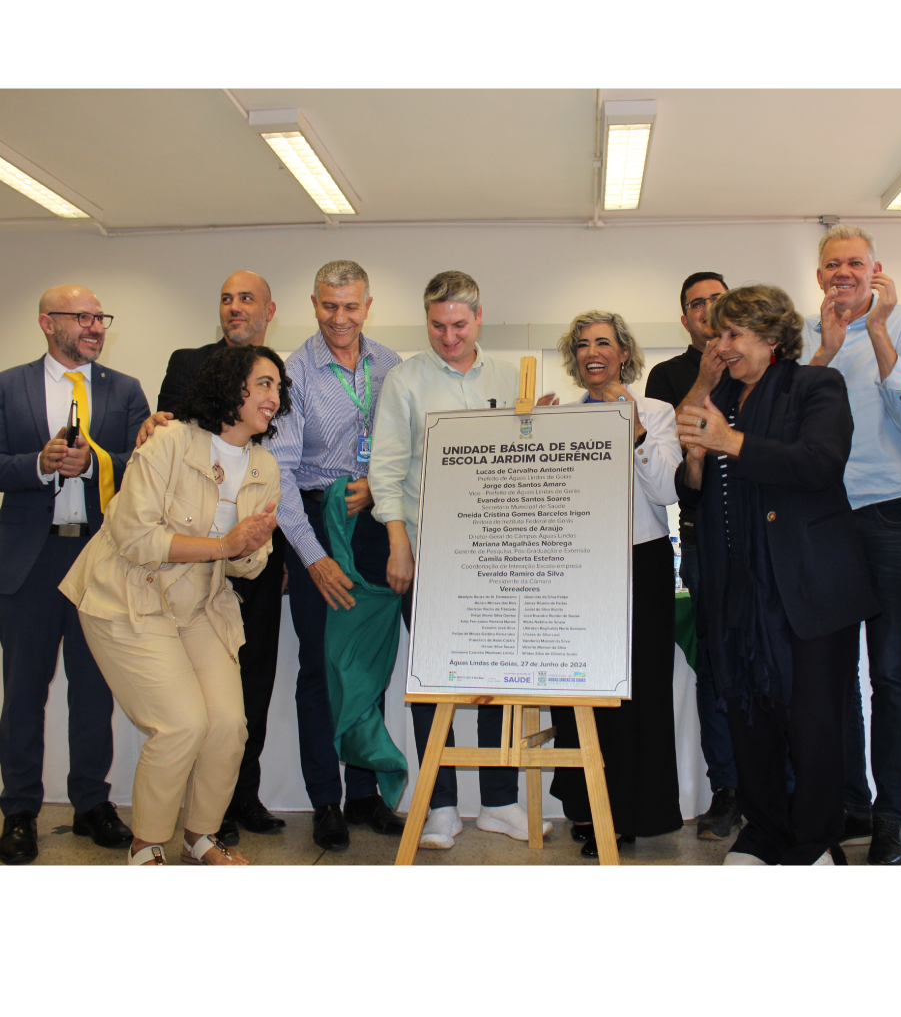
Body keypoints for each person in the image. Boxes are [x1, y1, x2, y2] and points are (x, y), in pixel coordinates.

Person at [59, 345, 286, 865]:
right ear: (231, 387)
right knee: (181, 723)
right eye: (265, 383)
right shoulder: (169, 442)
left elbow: (248, 565)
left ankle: (200, 836)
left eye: (278, 386)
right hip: (127, 597)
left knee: (229, 724)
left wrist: (248, 549)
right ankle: (147, 843)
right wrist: (226, 546)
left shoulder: (265, 466)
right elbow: (136, 536)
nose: (275, 397)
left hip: (199, 603)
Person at [677, 285, 878, 866]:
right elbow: (693, 491)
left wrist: (726, 441)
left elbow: (819, 464)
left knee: (812, 726)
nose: (722, 346)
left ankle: (815, 844)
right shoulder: (724, 399)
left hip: (806, 590)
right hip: (735, 591)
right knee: (748, 719)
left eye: (733, 334)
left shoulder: (816, 386)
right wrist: (696, 458)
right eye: (717, 334)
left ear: (771, 338)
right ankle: (764, 835)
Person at [370, 270, 554, 850]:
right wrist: (399, 544)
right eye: (437, 325)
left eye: (458, 324)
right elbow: (387, 471)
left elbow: (524, 461)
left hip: (500, 559)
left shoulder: (512, 375)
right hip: (429, 555)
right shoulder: (404, 380)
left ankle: (500, 802)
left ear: (479, 318)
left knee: (499, 682)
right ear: (426, 320)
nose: (448, 337)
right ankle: (440, 804)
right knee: (434, 684)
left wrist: (542, 429)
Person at [0, 284, 148, 866]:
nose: (93, 325)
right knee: (24, 694)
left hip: (98, 560)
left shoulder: (124, 389)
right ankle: (18, 811)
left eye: (99, 317)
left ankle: (91, 804)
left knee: (94, 691)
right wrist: (37, 463)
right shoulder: (8, 386)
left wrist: (97, 463)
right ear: (46, 322)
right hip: (29, 563)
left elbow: (142, 466)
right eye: (81, 317)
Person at [140, 270, 287, 841]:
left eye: (245, 299)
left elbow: (279, 465)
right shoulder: (188, 362)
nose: (233, 308)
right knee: (189, 703)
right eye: (226, 299)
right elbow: (170, 434)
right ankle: (201, 820)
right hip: (185, 552)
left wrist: (260, 543)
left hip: (254, 545)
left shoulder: (277, 372)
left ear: (269, 311)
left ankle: (239, 798)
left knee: (250, 683)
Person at [802, 223, 901, 866]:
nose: (843, 272)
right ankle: (848, 800)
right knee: (832, 675)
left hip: (886, 513)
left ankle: (890, 819)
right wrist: (825, 348)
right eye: (833, 264)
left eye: (855, 262)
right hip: (823, 518)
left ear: (875, 269)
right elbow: (786, 419)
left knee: (889, 670)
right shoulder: (802, 335)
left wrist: (875, 330)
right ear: (819, 274)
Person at [267, 260, 404, 851]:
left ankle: (366, 793)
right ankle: (326, 801)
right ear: (314, 303)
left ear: (367, 306)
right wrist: (313, 558)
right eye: (329, 306)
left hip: (376, 525)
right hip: (317, 525)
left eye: (350, 306)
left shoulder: (392, 365)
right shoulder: (291, 374)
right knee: (321, 668)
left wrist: (379, 486)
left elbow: (408, 449)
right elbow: (279, 477)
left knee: (369, 662)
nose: (339, 318)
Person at [546, 310, 683, 857]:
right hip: (576, 567)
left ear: (624, 351)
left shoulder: (657, 411)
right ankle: (586, 809)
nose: (592, 352)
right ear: (574, 358)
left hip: (641, 562)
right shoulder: (563, 418)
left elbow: (667, 491)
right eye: (581, 345)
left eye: (603, 342)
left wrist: (639, 432)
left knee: (638, 692)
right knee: (580, 690)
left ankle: (632, 811)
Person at [646, 271, 742, 841]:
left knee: (770, 665)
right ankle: (726, 787)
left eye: (716, 301)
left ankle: (776, 784)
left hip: (765, 540)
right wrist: (704, 380)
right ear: (684, 318)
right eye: (695, 305)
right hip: (704, 539)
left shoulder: (757, 358)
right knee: (715, 667)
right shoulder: (670, 374)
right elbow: (673, 457)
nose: (706, 311)